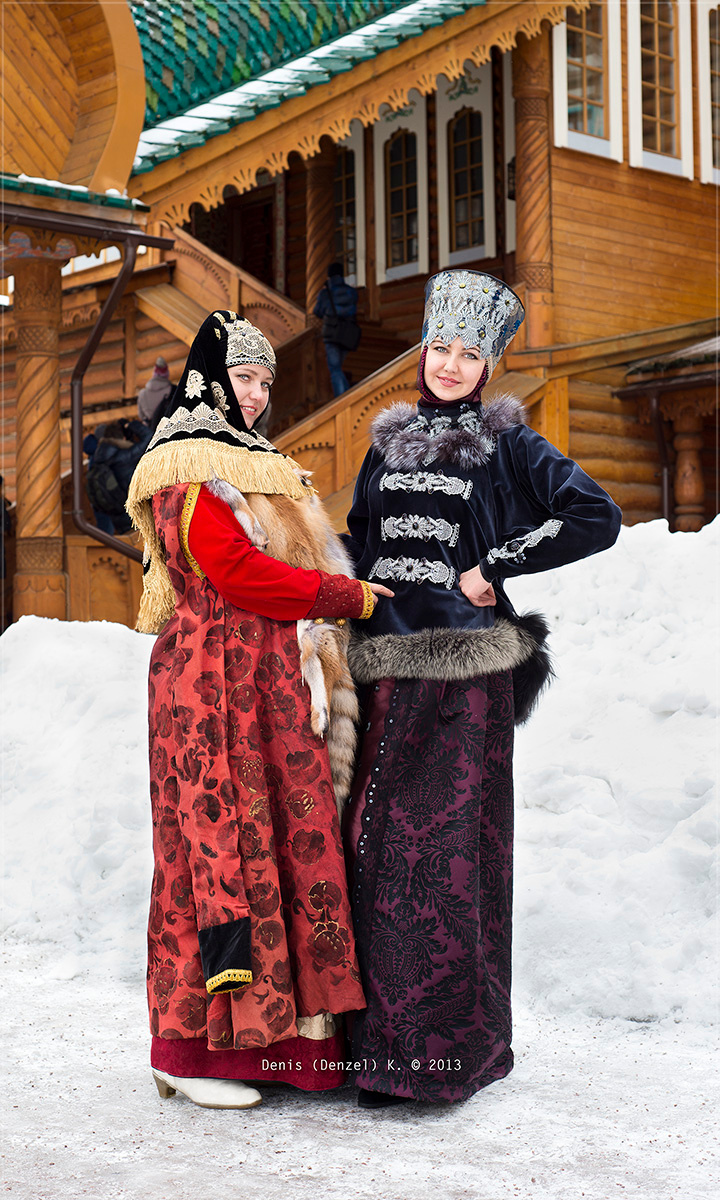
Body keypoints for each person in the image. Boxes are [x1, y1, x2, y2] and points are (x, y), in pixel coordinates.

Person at [341, 269, 622, 1108]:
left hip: (464, 683)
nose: (452, 365)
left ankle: (440, 1058)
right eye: (441, 347)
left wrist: (495, 565)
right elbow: (359, 540)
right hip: (384, 670)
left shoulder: (510, 445)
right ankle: (373, 1050)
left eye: (470, 353)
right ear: (423, 350)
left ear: (489, 364)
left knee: (445, 860)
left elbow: (595, 515)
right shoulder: (386, 443)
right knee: (372, 851)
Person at [126, 311, 392, 1111]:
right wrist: (342, 595)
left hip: (266, 683)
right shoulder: (188, 463)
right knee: (214, 853)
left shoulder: (254, 462)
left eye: (266, 381)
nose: (256, 394)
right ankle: (188, 1051)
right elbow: (237, 571)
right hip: (211, 683)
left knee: (278, 845)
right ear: (210, 378)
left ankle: (281, 1048)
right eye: (243, 377)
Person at [85, 419, 152, 534]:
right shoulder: (124, 456)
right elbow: (149, 436)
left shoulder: (99, 456)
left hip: (117, 515)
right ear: (122, 438)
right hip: (134, 514)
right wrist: (129, 424)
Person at [313, 262, 359, 397]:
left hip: (332, 333)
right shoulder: (351, 292)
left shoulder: (326, 293)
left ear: (329, 276)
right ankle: (346, 393)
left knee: (335, 368)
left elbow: (317, 311)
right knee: (338, 367)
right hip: (347, 334)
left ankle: (342, 399)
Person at [138, 356, 173, 425]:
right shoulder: (172, 390)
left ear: (154, 373)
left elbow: (141, 416)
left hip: (149, 429)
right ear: (167, 373)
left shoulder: (142, 393)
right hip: (167, 426)